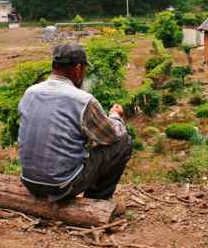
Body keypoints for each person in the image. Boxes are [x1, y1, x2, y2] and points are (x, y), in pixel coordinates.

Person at [18, 43, 132, 202]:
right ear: (78, 68)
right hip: (62, 185)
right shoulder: (82, 100)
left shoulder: (30, 92)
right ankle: (98, 200)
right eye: (84, 69)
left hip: (29, 182)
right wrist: (115, 116)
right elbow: (111, 136)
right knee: (124, 141)